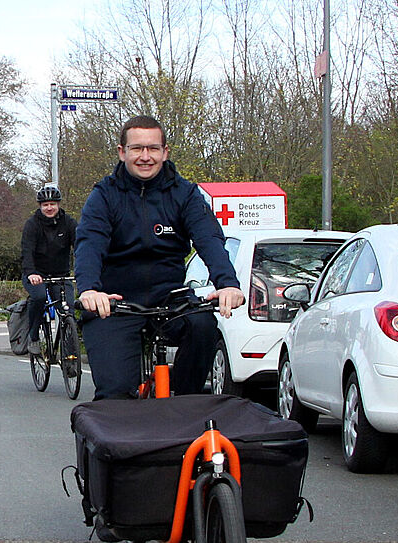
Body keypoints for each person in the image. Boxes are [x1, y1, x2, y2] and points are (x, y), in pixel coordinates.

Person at [74, 115, 244, 400]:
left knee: (203, 326)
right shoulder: (104, 196)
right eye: (137, 148)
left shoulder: (185, 194)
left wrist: (227, 283)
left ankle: (185, 405)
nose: (145, 156)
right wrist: (90, 289)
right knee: (115, 393)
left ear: (165, 152)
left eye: (153, 148)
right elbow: (89, 243)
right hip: (115, 302)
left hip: (170, 299)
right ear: (122, 152)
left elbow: (209, 239)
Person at [20, 184, 77, 346]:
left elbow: (80, 246)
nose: (49, 208)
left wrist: (82, 270)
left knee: (69, 309)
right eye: (46, 205)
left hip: (61, 274)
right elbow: (27, 251)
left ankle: (69, 349)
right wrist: (31, 272)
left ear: (58, 204)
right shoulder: (32, 224)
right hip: (37, 273)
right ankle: (33, 336)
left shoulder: (69, 223)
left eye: (52, 204)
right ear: (40, 206)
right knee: (39, 297)